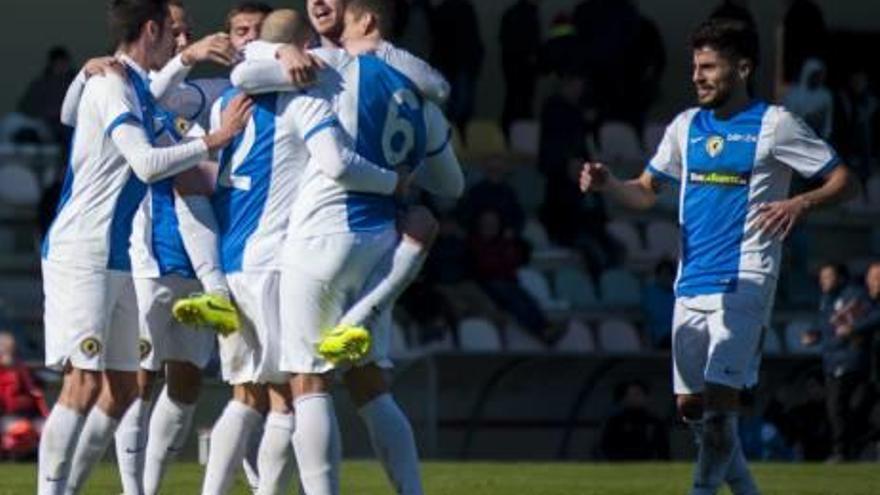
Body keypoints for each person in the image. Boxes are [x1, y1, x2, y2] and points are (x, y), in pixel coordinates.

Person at [580, 18, 855, 494]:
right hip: (691, 282)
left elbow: (841, 179)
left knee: (721, 402)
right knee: (693, 408)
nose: (698, 76)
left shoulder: (775, 125)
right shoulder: (685, 126)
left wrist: (800, 202)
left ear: (742, 67)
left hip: (746, 279)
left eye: (709, 67)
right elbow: (646, 192)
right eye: (695, 67)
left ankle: (700, 491)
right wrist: (609, 185)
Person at [232, 1, 463, 492]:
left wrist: (281, 51)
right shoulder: (420, 91)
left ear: (366, 20)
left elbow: (243, 77)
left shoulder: (336, 67)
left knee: (306, 382)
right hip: (380, 242)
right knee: (369, 384)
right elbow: (452, 184)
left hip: (323, 234)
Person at [37, 0, 251, 492]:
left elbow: (79, 114)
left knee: (124, 386)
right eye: (172, 33)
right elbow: (148, 164)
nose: (179, 42)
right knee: (84, 382)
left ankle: (70, 488)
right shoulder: (111, 83)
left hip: (115, 254)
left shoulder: (132, 85)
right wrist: (214, 140)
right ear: (150, 29)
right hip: (81, 251)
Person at [817, 262, 880, 461]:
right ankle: (848, 450)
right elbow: (829, 328)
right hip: (840, 362)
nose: (873, 283)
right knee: (843, 409)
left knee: (849, 408)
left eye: (877, 278)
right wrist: (816, 334)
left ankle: (844, 450)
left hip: (853, 362)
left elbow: (865, 322)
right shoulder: (828, 300)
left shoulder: (855, 297)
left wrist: (855, 329)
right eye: (871, 278)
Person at [430, 0, 483, 140]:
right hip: (460, 63)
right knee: (460, 106)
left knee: (451, 106)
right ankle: (460, 138)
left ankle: (453, 139)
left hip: (450, 63)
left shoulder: (442, 10)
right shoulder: (465, 10)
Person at [0, 332, 48, 459]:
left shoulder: (23, 371)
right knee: (20, 429)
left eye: (11, 348)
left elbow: (36, 394)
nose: (9, 352)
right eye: (5, 348)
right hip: (8, 417)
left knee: (47, 430)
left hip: (30, 416)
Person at [499, 0, 541, 140]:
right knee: (523, 104)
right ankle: (521, 138)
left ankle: (508, 136)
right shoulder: (530, 16)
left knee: (513, 101)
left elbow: (504, 40)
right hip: (524, 69)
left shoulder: (512, 14)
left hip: (513, 67)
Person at [17, 46, 77, 143]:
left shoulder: (76, 83)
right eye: (57, 63)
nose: (61, 66)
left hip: (70, 126)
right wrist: (44, 113)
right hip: (44, 125)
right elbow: (25, 106)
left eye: (63, 63)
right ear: (51, 64)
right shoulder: (41, 83)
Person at [598, 380, 669, 460]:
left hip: (647, 466)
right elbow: (605, 446)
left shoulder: (653, 422)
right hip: (619, 465)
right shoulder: (615, 421)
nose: (632, 398)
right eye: (629, 395)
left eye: (637, 394)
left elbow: (663, 450)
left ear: (646, 397)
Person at [783, 58, 833, 140]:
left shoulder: (825, 95)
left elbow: (827, 121)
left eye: (820, 75)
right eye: (815, 75)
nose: (818, 78)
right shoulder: (794, 95)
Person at [642, 259, 676, 349]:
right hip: (662, 338)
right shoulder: (649, 293)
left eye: (670, 275)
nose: (667, 278)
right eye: (664, 275)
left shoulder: (679, 294)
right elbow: (646, 320)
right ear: (657, 276)